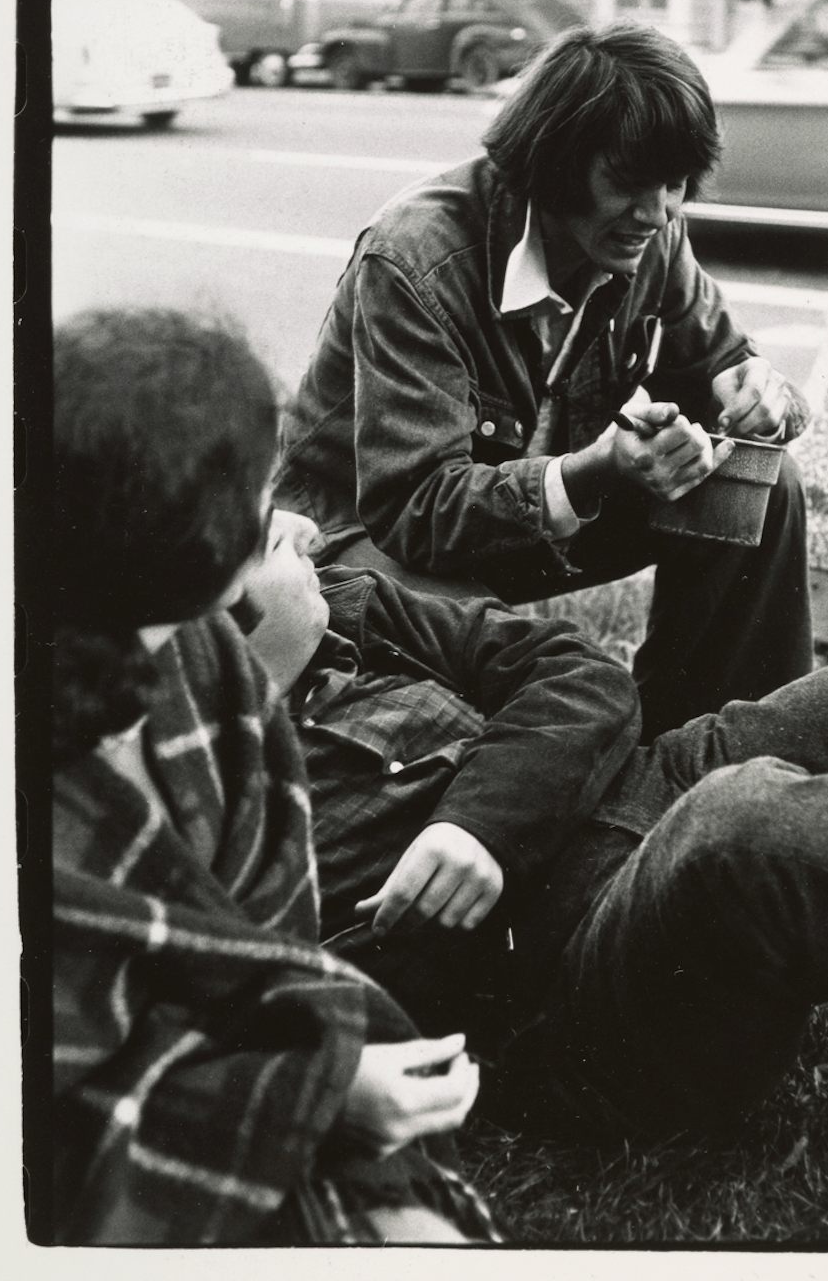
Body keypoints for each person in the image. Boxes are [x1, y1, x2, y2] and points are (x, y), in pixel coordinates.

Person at [244, 507, 828, 1147]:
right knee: (748, 819)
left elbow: (574, 671)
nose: (308, 530)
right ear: (203, 617)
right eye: (269, 539)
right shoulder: (204, 811)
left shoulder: (347, 603)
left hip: (654, 782)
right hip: (579, 994)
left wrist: (479, 824)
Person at [51, 309, 500, 1245]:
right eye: (261, 493)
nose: (290, 517)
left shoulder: (209, 663)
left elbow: (274, 961)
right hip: (114, 1167)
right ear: (192, 544)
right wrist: (321, 1094)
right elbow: (51, 1092)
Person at [275, 22, 813, 740]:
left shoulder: (651, 232)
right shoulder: (414, 258)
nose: (657, 214)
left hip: (537, 517)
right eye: (627, 184)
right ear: (555, 163)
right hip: (373, 542)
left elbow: (725, 362)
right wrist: (595, 473)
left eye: (676, 184)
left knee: (767, 485)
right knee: (545, 690)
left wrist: (761, 397)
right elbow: (416, 511)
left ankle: (712, 748)